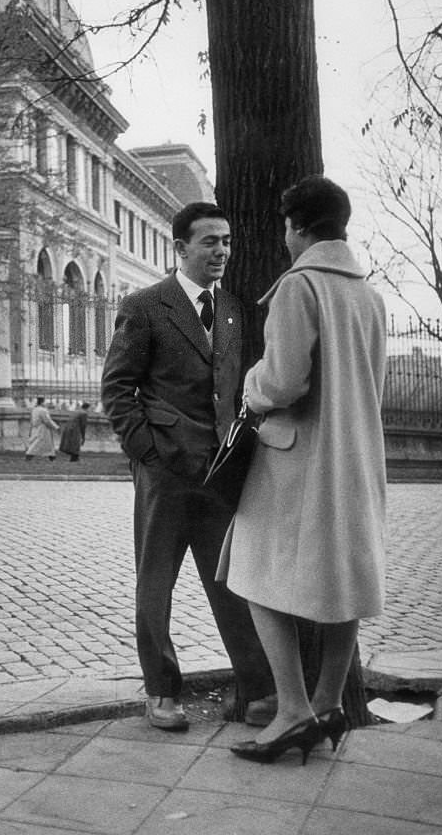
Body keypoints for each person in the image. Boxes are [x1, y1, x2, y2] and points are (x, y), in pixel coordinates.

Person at [216, 175, 387, 764]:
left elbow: (285, 380)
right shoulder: (369, 294)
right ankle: (330, 700)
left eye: (286, 227)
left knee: (253, 572)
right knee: (346, 576)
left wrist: (250, 385)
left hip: (297, 460)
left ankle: (292, 709)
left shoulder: (299, 286)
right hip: (355, 455)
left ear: (296, 227)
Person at [102, 202, 272, 732]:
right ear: (181, 248)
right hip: (165, 474)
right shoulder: (146, 306)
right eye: (209, 242)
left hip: (218, 471)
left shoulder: (232, 310)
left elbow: (234, 388)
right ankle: (161, 692)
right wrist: (148, 455)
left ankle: (257, 689)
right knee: (156, 583)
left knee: (231, 581)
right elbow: (116, 389)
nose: (221, 251)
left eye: (226, 241)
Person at [25, 396, 59, 461]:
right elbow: (47, 420)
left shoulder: (34, 409)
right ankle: (29, 455)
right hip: (43, 429)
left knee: (47, 444)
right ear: (42, 402)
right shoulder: (43, 410)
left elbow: (32, 420)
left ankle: (52, 456)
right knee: (38, 443)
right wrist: (56, 427)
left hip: (36, 428)